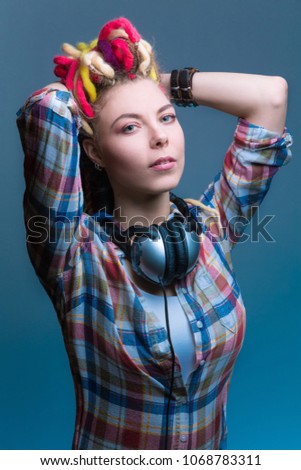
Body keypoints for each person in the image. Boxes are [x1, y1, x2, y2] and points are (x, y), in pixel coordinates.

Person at [16, 17, 292, 450]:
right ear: (94, 151)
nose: (159, 137)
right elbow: (46, 109)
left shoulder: (214, 228)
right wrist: (100, 82)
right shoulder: (73, 254)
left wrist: (151, 82)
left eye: (166, 118)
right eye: (130, 127)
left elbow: (270, 96)